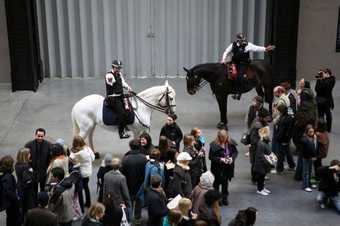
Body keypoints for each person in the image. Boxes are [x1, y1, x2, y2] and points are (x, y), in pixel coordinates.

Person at [221, 33, 275, 99]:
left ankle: (238, 93)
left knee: (240, 75)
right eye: (241, 40)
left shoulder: (248, 45)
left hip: (243, 64)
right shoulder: (233, 45)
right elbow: (226, 52)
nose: (243, 41)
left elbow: (256, 48)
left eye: (244, 39)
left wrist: (265, 49)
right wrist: (223, 59)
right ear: (238, 40)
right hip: (234, 62)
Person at [121, 139, 148, 223]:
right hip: (140, 186)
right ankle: (137, 218)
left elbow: (122, 174)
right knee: (139, 203)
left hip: (128, 185)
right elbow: (146, 173)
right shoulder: (144, 158)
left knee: (129, 203)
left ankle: (129, 219)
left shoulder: (125, 159)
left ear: (130, 147)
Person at [209, 129, 238, 205]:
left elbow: (235, 152)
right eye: (222, 138)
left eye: (225, 138)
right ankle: (217, 199)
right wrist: (221, 159)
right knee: (216, 185)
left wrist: (232, 158)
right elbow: (211, 157)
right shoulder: (214, 145)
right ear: (219, 137)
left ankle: (225, 198)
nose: (224, 140)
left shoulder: (230, 143)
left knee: (225, 184)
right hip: (217, 168)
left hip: (227, 168)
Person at [105, 59, 133, 139]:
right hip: (113, 98)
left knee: (129, 109)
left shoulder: (119, 74)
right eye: (117, 68)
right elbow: (112, 84)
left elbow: (122, 83)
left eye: (119, 68)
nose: (118, 69)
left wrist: (129, 88)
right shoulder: (109, 75)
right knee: (122, 113)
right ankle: (121, 133)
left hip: (120, 96)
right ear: (113, 67)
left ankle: (124, 124)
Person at [25, 128, 52, 201]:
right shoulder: (29, 145)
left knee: (43, 188)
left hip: (43, 171)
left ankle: (42, 202)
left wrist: (48, 168)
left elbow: (51, 158)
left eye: (41, 136)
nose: (40, 138)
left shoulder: (49, 145)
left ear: (44, 136)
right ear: (35, 135)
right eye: (38, 136)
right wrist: (29, 168)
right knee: (34, 189)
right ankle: (35, 202)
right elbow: (25, 158)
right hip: (33, 171)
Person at [70, 135, 95, 210]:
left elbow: (71, 158)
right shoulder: (88, 148)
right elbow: (93, 158)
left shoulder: (79, 153)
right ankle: (88, 202)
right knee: (86, 187)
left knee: (79, 190)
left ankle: (80, 207)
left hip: (82, 173)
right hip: (88, 171)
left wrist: (73, 153)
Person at [103, 158, 131, 223]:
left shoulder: (106, 175)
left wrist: (104, 201)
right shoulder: (121, 177)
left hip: (109, 202)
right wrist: (128, 204)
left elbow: (104, 189)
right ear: (120, 166)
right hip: (119, 203)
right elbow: (125, 193)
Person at [249, 108, 271, 183]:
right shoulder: (258, 126)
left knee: (258, 163)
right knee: (255, 163)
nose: (268, 118)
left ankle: (259, 177)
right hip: (256, 147)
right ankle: (255, 179)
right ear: (261, 117)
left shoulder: (260, 122)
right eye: (266, 117)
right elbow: (254, 139)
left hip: (258, 146)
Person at [0, 155, 21, 226]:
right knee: (14, 220)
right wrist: (16, 198)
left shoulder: (5, 175)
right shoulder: (8, 177)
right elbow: (8, 191)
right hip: (12, 204)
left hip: (10, 204)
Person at [275, 105, 295, 173]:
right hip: (287, 138)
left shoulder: (283, 120)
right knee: (287, 151)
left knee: (280, 154)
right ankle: (291, 165)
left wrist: (277, 138)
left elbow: (281, 131)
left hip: (282, 139)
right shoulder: (289, 118)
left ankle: (279, 169)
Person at [253, 126, 272, 196]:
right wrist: (268, 162)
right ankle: (259, 189)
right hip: (261, 164)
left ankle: (262, 188)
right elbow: (260, 156)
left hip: (264, 164)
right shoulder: (261, 143)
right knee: (260, 177)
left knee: (263, 177)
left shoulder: (265, 141)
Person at [15, 147, 35, 214]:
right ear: (25, 155)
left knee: (22, 206)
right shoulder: (26, 167)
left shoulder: (17, 164)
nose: (30, 154)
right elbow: (28, 180)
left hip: (19, 187)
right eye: (29, 153)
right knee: (28, 207)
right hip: (26, 191)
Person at [300, 124, 318, 192]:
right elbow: (305, 150)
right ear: (307, 132)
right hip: (306, 157)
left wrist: (314, 156)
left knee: (311, 172)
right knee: (306, 172)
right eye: (310, 132)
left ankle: (310, 183)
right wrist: (312, 156)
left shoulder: (314, 138)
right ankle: (305, 186)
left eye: (312, 131)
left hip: (311, 157)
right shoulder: (304, 140)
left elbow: (315, 148)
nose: (312, 133)